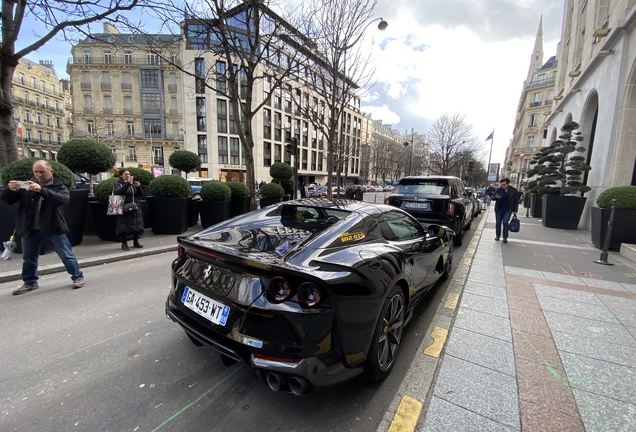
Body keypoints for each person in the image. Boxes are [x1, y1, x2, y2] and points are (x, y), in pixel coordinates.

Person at [1, 160, 84, 295]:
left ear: (51, 172)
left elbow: (63, 199)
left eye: (42, 172)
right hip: (30, 227)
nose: (38, 175)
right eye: (36, 172)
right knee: (29, 257)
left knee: (66, 254)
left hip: (53, 226)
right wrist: (8, 190)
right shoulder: (26, 185)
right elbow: (8, 200)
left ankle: (77, 276)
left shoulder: (59, 186)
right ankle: (30, 282)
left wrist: (41, 190)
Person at [114, 169, 145, 251]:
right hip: (124, 208)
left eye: (129, 174)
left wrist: (138, 187)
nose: (128, 175)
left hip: (134, 207)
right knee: (124, 227)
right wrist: (127, 183)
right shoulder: (118, 184)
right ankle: (124, 244)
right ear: (121, 176)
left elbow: (140, 195)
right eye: (125, 174)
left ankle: (136, 242)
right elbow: (118, 192)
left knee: (137, 226)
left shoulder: (132, 184)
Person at [492, 177, 520, 244]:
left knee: (505, 222)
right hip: (499, 209)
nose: (503, 186)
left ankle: (505, 237)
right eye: (501, 185)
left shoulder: (513, 191)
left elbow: (516, 201)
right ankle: (497, 236)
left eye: (504, 185)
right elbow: (492, 197)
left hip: (508, 209)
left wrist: (515, 210)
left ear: (508, 184)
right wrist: (496, 197)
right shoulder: (499, 190)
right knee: (498, 223)